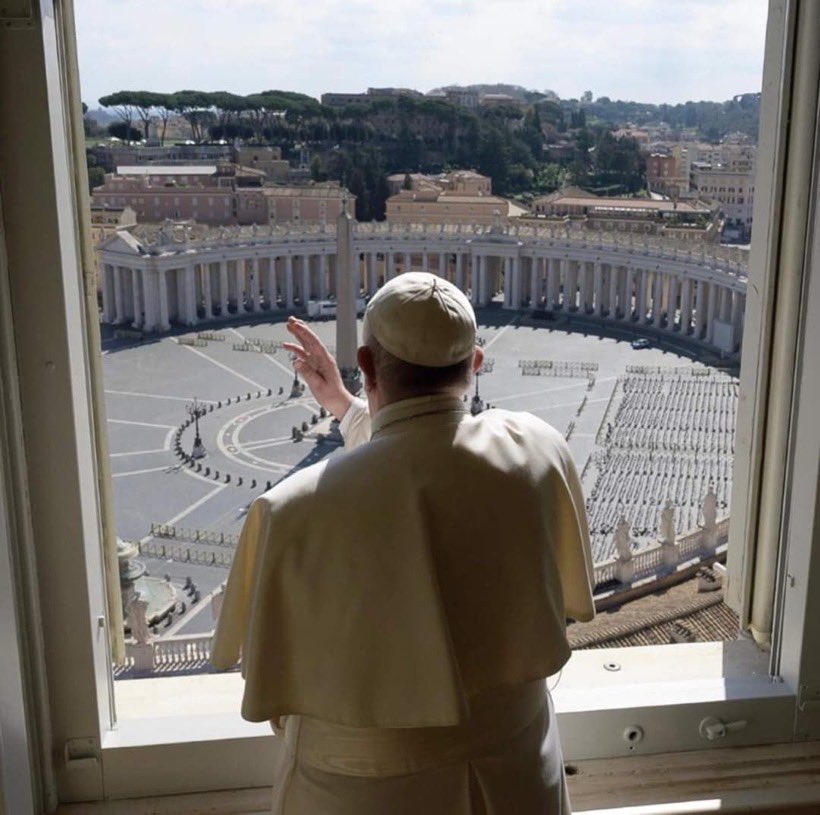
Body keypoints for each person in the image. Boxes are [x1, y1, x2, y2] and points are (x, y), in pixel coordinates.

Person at [212, 272, 595, 814]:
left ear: (366, 364)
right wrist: (346, 407)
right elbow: (433, 448)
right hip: (518, 774)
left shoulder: (288, 510)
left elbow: (401, 460)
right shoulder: (538, 447)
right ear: (476, 363)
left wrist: (352, 403)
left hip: (358, 793)